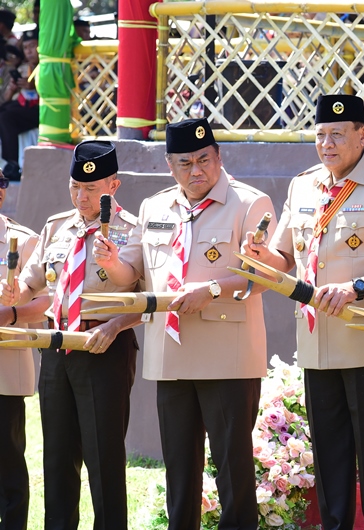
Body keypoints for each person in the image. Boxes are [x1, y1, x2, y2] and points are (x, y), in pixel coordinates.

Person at [240, 94, 364, 530]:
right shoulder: (304, 185)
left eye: (338, 134)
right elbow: (284, 258)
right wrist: (260, 255)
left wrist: (358, 286)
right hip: (319, 346)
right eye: (321, 135)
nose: (327, 144)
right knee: (330, 465)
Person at [92, 117, 276, 530]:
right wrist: (112, 263)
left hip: (227, 357)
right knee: (178, 469)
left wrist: (211, 289)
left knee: (232, 471)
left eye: (204, 160)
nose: (196, 171)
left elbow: (261, 277)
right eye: (185, 163)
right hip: (170, 356)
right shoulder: (154, 207)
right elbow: (135, 275)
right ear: (169, 165)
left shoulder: (250, 204)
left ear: (219, 157)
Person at [0, 140, 142, 529]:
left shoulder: (132, 231)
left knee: (103, 458)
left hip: (103, 348)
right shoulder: (56, 226)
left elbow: (138, 293)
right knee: (58, 457)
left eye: (91, 189)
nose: (81, 197)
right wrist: (15, 292)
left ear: (113, 185)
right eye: (75, 187)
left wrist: (113, 272)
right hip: (56, 349)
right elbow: (30, 281)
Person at [0, 170, 47, 530]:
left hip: (5, 367)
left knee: (8, 462)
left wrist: (11, 311)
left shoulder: (26, 242)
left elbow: (47, 303)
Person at [0, 29, 39, 181]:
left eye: (33, 46)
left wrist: (34, 86)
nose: (29, 51)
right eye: (26, 47)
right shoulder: (23, 68)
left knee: (6, 116)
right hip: (24, 106)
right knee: (4, 111)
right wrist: (12, 89)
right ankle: (9, 163)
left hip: (42, 110)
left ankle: (12, 163)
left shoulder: (47, 66)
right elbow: (8, 99)